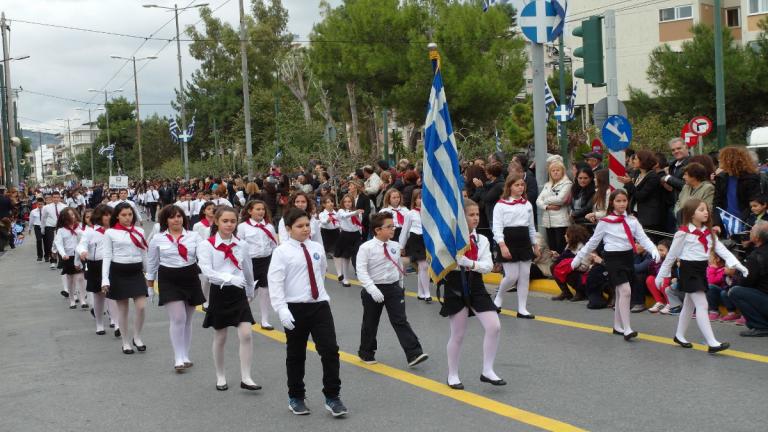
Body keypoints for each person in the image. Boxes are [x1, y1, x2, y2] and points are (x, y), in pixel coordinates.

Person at [267, 208, 347, 417]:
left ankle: (333, 396)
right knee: (296, 354)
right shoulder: (281, 252)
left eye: (307, 225)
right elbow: (275, 282)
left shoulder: (316, 247)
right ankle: (296, 397)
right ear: (288, 229)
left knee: (330, 350)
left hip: (319, 305)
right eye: (299, 226)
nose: (305, 229)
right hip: (294, 308)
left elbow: (320, 272)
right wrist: (282, 309)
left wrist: (317, 294)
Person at [655, 199, 746, 353]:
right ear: (691, 214)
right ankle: (712, 342)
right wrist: (661, 275)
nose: (706, 212)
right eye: (701, 209)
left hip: (700, 270)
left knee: (689, 306)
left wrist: (738, 265)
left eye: (706, 209)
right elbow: (671, 256)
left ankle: (679, 335)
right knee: (702, 305)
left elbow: (722, 250)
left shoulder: (709, 233)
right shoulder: (682, 232)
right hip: (688, 271)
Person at [573, 189, 660, 340]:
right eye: (618, 201)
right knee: (625, 291)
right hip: (612, 258)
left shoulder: (632, 221)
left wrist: (653, 249)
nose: (621, 204)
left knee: (621, 292)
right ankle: (627, 328)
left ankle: (617, 325)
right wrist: (578, 258)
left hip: (627, 257)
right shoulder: (605, 222)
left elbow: (643, 238)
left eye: (624, 201)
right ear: (612, 203)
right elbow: (592, 242)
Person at [440, 199, 504, 389]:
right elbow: (445, 262)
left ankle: (487, 370)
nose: (476, 218)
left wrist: (469, 263)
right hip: (455, 284)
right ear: (462, 217)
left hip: (475, 284)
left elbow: (488, 267)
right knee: (458, 334)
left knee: (494, 326)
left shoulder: (482, 240)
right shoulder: (450, 239)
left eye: (477, 214)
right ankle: (452, 374)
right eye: (471, 215)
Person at [197, 206, 260, 391]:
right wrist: (230, 278)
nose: (229, 224)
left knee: (246, 334)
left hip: (239, 293)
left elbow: (248, 270)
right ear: (216, 221)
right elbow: (207, 272)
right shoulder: (206, 245)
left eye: (233, 221)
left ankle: (246, 377)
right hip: (219, 292)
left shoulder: (242, 245)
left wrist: (250, 291)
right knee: (220, 336)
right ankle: (220, 375)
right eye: (225, 221)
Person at [356, 212, 428, 368]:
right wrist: (371, 288)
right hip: (373, 288)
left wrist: (400, 286)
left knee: (400, 320)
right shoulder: (366, 248)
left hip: (393, 288)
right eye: (389, 227)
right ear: (377, 230)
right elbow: (361, 271)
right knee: (370, 322)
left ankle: (414, 353)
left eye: (393, 226)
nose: (393, 229)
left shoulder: (395, 246)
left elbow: (398, 267)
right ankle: (366, 352)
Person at [146, 205, 206, 372]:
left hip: (190, 276)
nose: (176, 219)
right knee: (178, 318)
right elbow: (152, 263)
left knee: (187, 319)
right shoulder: (158, 239)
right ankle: (177, 356)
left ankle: (185, 354)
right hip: (168, 278)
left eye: (179, 216)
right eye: (172, 217)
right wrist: (150, 285)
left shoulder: (194, 236)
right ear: (166, 220)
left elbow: (205, 256)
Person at [102, 202, 150, 355]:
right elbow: (107, 256)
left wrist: (149, 274)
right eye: (124, 215)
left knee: (141, 306)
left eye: (130, 214)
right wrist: (105, 279)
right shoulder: (110, 233)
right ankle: (125, 342)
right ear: (117, 216)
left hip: (136, 272)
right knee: (123, 310)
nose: (128, 218)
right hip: (118, 272)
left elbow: (144, 253)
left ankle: (137, 336)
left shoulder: (139, 230)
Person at [493, 174, 539, 318]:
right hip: (509, 241)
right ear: (509, 187)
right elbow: (497, 227)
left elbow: (531, 227)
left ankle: (522, 308)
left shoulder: (527, 204)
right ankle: (499, 297)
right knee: (512, 276)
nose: (520, 187)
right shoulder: (500, 205)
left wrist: (535, 244)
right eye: (517, 185)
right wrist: (502, 245)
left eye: (522, 185)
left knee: (525, 276)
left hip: (524, 241)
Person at [77, 204, 119, 336]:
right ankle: (99, 323)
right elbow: (81, 245)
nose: (108, 217)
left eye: (110, 214)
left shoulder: (116, 230)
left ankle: (116, 322)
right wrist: (83, 251)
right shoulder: (90, 232)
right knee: (99, 296)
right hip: (96, 265)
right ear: (99, 217)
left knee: (112, 294)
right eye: (105, 215)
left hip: (112, 264)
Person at [238, 200, 277, 330]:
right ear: (250, 211)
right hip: (250, 262)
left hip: (266, 261)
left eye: (263, 209)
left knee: (265, 291)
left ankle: (265, 320)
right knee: (250, 291)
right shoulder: (243, 226)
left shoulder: (269, 226)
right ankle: (240, 311)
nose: (261, 212)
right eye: (258, 209)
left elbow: (273, 245)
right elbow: (238, 246)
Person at [728, 221, 768, 337]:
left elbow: (746, 282)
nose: (749, 232)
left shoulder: (757, 256)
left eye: (751, 231)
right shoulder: (757, 253)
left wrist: (734, 274)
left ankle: (761, 326)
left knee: (735, 291)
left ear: (756, 237)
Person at [714, 146, 761, 229]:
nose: (719, 162)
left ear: (730, 161)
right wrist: (717, 224)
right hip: (724, 223)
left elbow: (752, 204)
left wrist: (739, 222)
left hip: (743, 222)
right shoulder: (721, 178)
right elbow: (717, 203)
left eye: (722, 159)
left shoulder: (750, 178)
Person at [399, 189, 432, 302]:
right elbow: (404, 230)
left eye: (423, 198)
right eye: (419, 198)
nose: (421, 200)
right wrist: (401, 246)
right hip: (415, 240)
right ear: (415, 200)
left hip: (426, 241)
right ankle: (427, 293)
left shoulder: (431, 213)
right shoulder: (410, 213)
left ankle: (421, 293)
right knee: (423, 266)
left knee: (423, 267)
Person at [621, 150, 665, 234]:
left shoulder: (653, 177)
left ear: (643, 160)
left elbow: (641, 196)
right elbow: (632, 193)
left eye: (636, 159)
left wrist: (629, 183)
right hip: (635, 213)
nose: (633, 161)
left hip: (648, 217)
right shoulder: (637, 174)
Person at [537, 160, 572, 254]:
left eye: (558, 170)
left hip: (561, 221)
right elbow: (538, 201)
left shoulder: (567, 184)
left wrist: (545, 200)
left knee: (560, 247)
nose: (555, 172)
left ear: (562, 171)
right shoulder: (547, 185)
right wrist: (547, 207)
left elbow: (560, 199)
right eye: (553, 170)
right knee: (552, 248)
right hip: (548, 221)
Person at [54, 208, 87, 309]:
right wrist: (63, 254)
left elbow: (86, 240)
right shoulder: (61, 230)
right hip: (68, 256)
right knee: (70, 279)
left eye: (73, 214)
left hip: (79, 255)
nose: (72, 217)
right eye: (69, 215)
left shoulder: (80, 227)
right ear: (64, 218)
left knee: (81, 278)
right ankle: (72, 299)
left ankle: (82, 299)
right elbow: (58, 243)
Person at [550, 224, 591, 301]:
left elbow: (585, 267)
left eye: (567, 234)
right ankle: (566, 292)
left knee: (568, 271)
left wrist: (569, 265)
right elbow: (564, 258)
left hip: (583, 272)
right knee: (553, 266)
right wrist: (556, 256)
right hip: (574, 267)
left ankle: (580, 292)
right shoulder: (570, 244)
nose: (564, 235)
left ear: (572, 236)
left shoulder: (583, 247)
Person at [334, 194, 365, 287]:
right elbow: (344, 216)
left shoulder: (356, 212)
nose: (347, 203)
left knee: (359, 257)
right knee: (345, 258)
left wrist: (360, 234)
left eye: (349, 201)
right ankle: (345, 279)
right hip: (346, 235)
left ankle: (363, 279)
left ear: (352, 202)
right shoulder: (341, 211)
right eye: (345, 201)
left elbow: (359, 224)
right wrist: (355, 212)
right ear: (342, 203)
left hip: (356, 235)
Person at [41, 191, 67, 270]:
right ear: (52, 198)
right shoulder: (46, 207)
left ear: (60, 198)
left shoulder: (64, 207)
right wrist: (42, 228)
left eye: (57, 197)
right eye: (54, 197)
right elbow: (43, 218)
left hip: (60, 227)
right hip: (50, 226)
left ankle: (61, 262)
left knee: (60, 244)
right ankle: (53, 261)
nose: (56, 199)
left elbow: (67, 218)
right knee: (51, 244)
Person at [645, 239, 671, 313]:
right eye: (658, 250)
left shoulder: (672, 260)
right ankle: (660, 302)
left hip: (669, 282)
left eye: (662, 250)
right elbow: (651, 272)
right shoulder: (657, 259)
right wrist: (654, 262)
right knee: (649, 279)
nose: (659, 252)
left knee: (664, 281)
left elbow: (672, 274)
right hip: (658, 282)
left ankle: (670, 303)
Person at [28, 197, 44, 262]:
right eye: (39, 204)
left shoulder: (46, 210)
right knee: (39, 240)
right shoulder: (33, 211)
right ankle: (39, 256)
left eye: (41, 204)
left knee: (47, 242)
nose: (40, 205)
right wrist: (30, 229)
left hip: (45, 226)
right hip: (37, 227)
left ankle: (47, 256)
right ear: (37, 204)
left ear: (43, 204)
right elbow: (31, 221)